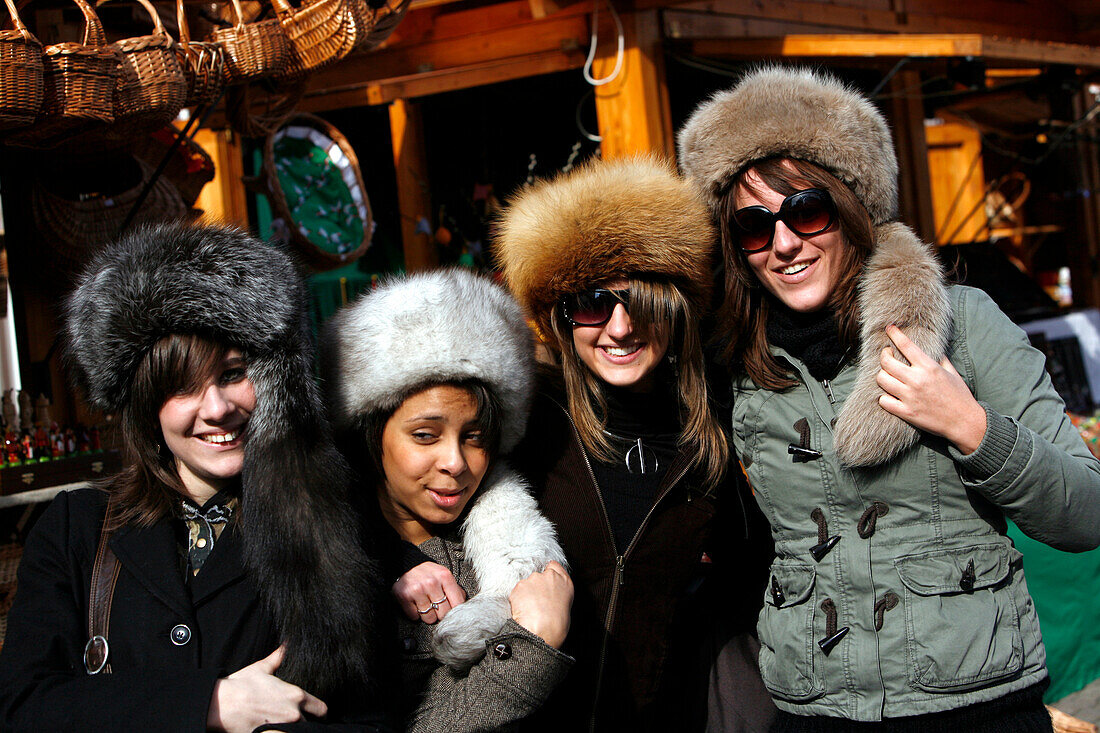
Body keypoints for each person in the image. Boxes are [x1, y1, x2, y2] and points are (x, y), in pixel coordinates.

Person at [677, 65, 1100, 730]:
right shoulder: (736, 368)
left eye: (806, 210)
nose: (784, 242)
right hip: (814, 711)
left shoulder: (962, 323)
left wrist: (971, 427)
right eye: (755, 227)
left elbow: (1087, 512)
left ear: (850, 207)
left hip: (972, 707)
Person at [398, 155, 771, 730]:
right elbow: (402, 473)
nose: (619, 329)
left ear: (673, 306)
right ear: (562, 318)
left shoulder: (715, 431)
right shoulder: (530, 417)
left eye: (639, 301)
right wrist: (405, 561)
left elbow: (756, 569)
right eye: (592, 305)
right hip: (525, 714)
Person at [0, 222, 386, 733]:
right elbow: (22, 705)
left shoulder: (330, 518)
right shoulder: (76, 528)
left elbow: (370, 711)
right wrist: (210, 703)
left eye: (232, 373)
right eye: (183, 386)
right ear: (145, 407)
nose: (218, 409)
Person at [323, 267, 575, 732]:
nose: (455, 463)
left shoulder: (514, 555)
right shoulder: (323, 563)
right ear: (372, 433)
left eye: (475, 437)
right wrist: (530, 645)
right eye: (424, 435)